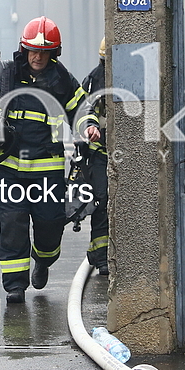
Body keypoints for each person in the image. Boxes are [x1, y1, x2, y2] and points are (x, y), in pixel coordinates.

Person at [0, 16, 86, 304]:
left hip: (48, 169)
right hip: (10, 168)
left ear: (53, 53)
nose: (37, 57)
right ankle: (15, 287)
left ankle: (43, 260)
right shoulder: (6, 73)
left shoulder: (62, 80)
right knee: (13, 225)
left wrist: (89, 126)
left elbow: (82, 108)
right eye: (33, 51)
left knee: (50, 224)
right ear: (24, 49)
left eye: (44, 52)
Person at [75, 38, 109, 276]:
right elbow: (83, 114)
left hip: (127, 153)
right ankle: (101, 256)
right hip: (100, 154)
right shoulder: (94, 81)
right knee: (102, 203)